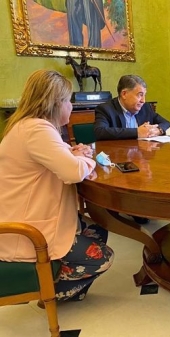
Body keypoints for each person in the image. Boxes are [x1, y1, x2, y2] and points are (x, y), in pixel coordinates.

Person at [0, 69, 114, 302]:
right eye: (68, 101)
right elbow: (72, 171)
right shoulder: (37, 129)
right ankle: (49, 292)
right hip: (27, 229)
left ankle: (64, 284)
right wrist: (88, 158)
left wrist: (72, 153)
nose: (71, 107)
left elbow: (51, 159)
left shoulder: (27, 126)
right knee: (104, 257)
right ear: (56, 103)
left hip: (27, 214)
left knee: (99, 228)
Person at [94, 74, 170, 140]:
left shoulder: (145, 108)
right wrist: (137, 132)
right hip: (119, 155)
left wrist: (158, 130)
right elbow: (100, 132)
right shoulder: (106, 109)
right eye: (140, 95)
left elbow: (166, 123)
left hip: (141, 154)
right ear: (124, 94)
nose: (143, 100)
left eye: (144, 95)